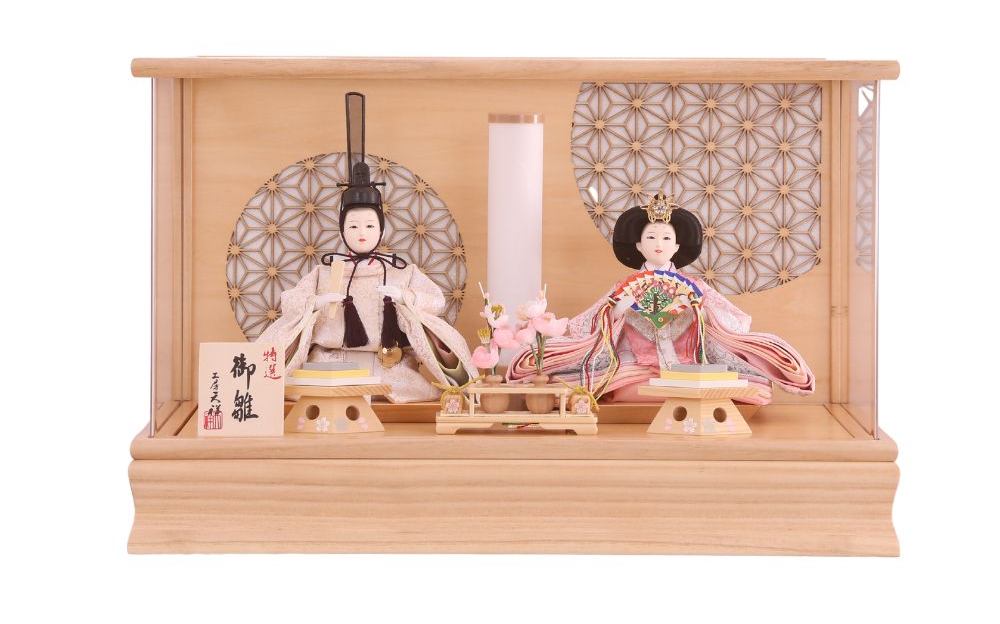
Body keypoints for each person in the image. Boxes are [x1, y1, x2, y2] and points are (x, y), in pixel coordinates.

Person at [254, 92, 475, 402]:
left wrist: (406, 299)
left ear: (381, 229)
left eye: (370, 226)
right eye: (354, 226)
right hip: (330, 367)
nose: (361, 233)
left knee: (418, 391)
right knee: (296, 389)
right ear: (342, 229)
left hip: (389, 368)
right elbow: (290, 301)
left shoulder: (402, 272)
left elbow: (435, 302)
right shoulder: (325, 272)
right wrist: (315, 303)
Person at [506, 191, 815, 404]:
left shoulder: (694, 286)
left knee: (731, 381)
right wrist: (619, 309)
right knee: (618, 383)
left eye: (666, 238)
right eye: (651, 237)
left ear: (677, 246)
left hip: (687, 360)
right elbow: (587, 324)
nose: (659, 243)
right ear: (638, 246)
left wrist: (699, 310)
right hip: (636, 361)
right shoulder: (624, 287)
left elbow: (735, 321)